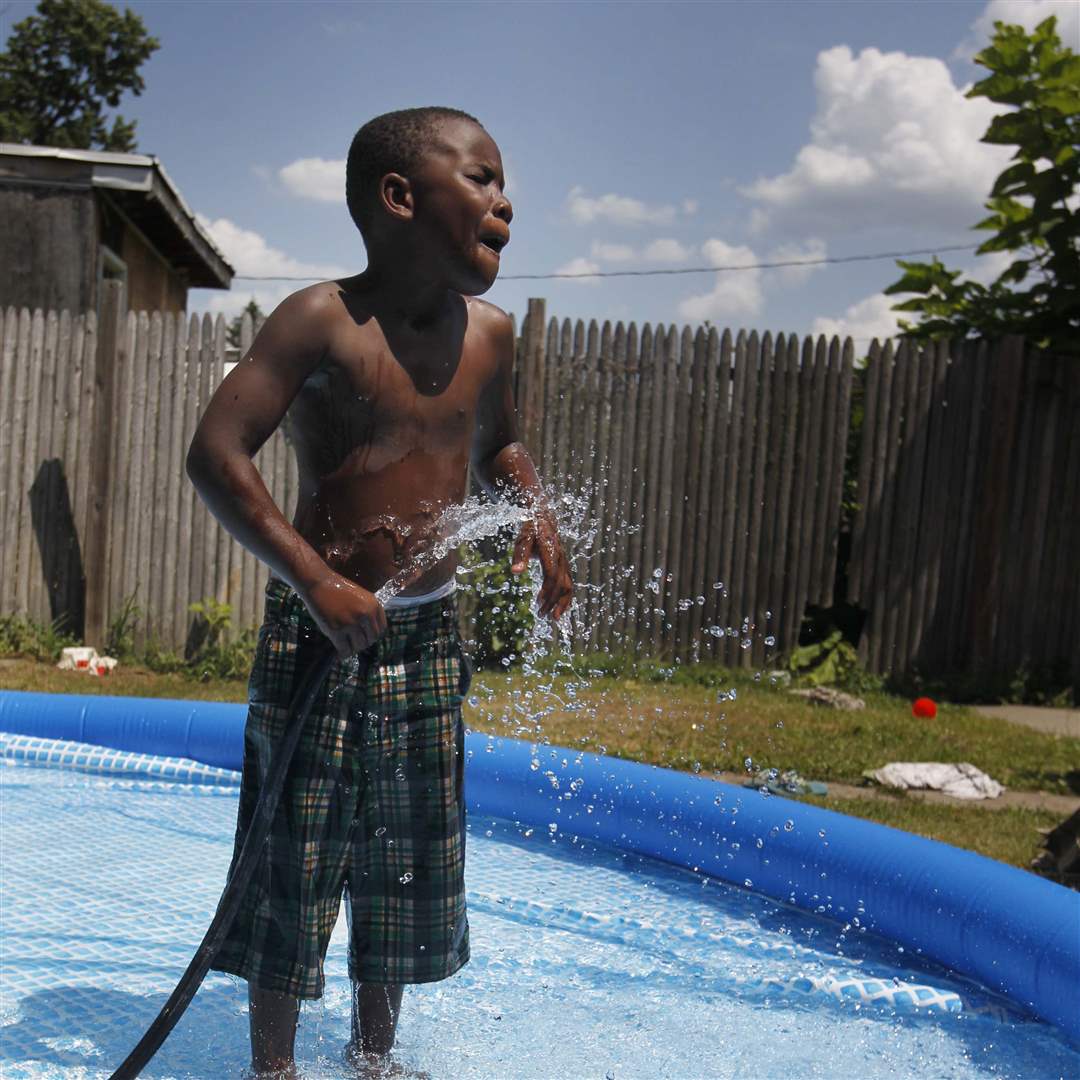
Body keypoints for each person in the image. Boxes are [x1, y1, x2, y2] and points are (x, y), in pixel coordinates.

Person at [186, 106, 573, 1079]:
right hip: (320, 635)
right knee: (295, 856)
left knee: (404, 860)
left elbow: (498, 445)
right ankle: (272, 1069)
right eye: (481, 179)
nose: (504, 200)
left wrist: (539, 514)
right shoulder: (323, 321)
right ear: (401, 198)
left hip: (424, 641)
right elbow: (216, 454)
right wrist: (314, 579)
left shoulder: (487, 337)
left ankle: (373, 1057)